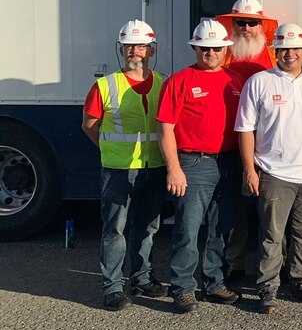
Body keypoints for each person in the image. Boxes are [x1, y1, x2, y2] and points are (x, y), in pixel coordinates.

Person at [236, 23, 302, 314]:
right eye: (283, 49)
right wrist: (249, 170)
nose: (289, 54)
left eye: (295, 49)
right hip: (274, 172)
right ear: (275, 51)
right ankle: (268, 287)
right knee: (272, 235)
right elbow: (245, 130)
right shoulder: (259, 82)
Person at [157, 19, 245, 313]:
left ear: (225, 50)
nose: (210, 53)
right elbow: (166, 128)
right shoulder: (179, 81)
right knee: (188, 228)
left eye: (216, 48)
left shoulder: (235, 81)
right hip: (193, 163)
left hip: (230, 162)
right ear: (195, 48)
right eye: (204, 48)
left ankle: (214, 282)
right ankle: (182, 288)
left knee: (222, 227)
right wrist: (173, 167)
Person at [81, 20, 169, 311]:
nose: (134, 51)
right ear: (121, 49)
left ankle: (142, 278)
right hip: (118, 170)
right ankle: (113, 287)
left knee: (148, 227)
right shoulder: (104, 85)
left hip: (154, 166)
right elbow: (90, 125)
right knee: (115, 229)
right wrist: (109, 150)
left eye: (140, 46)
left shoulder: (163, 83)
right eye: (129, 46)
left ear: (151, 51)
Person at [219, 0, 278, 276]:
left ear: (261, 26)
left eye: (252, 22)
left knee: (273, 213)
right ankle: (233, 264)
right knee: (236, 210)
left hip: (268, 144)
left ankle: (274, 270)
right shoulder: (223, 52)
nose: (245, 28)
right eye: (240, 22)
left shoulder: (274, 54)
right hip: (231, 144)